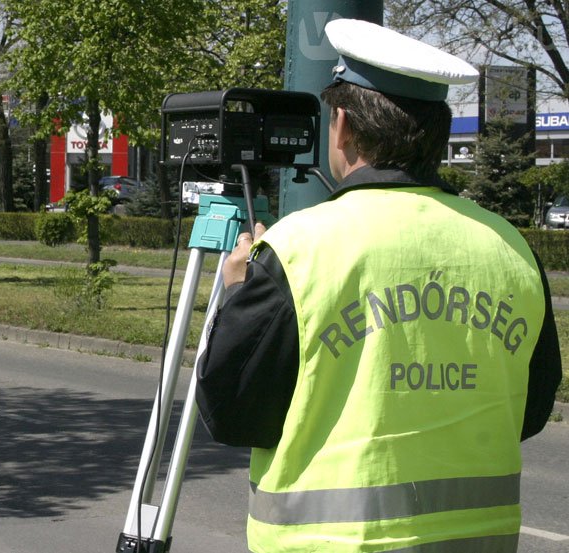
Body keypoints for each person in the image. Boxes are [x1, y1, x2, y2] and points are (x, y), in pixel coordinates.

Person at [195, 19, 562, 553]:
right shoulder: (510, 247)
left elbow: (230, 412)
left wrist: (233, 292)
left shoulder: (298, 249)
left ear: (341, 125)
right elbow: (528, 410)